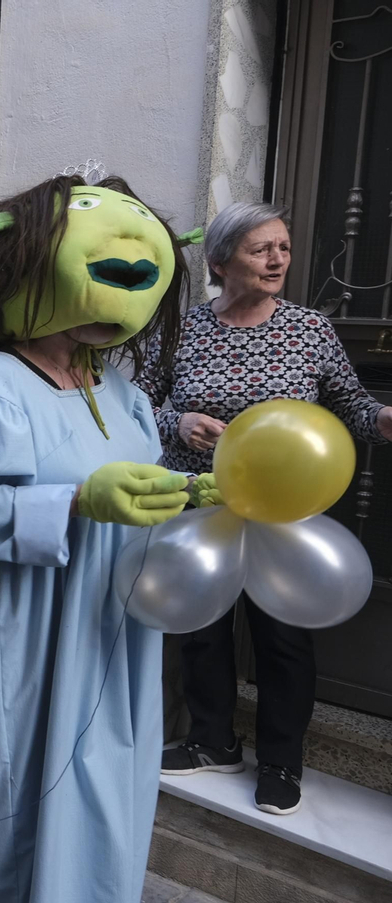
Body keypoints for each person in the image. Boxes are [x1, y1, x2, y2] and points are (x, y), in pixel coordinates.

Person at [0, 172, 200, 902]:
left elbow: (141, 484)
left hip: (108, 627)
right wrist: (76, 500)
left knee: (103, 784)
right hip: (19, 630)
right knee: (4, 798)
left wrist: (193, 496)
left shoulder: (123, 391)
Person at [136, 202, 391, 816]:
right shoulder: (182, 329)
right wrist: (180, 420)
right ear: (221, 262)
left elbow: (347, 402)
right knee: (201, 629)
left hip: (284, 514)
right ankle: (211, 741)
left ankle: (282, 763)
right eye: (261, 249)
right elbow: (140, 405)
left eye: (282, 246)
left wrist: (381, 418)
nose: (277, 259)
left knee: (283, 639)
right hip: (203, 505)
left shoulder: (308, 329)